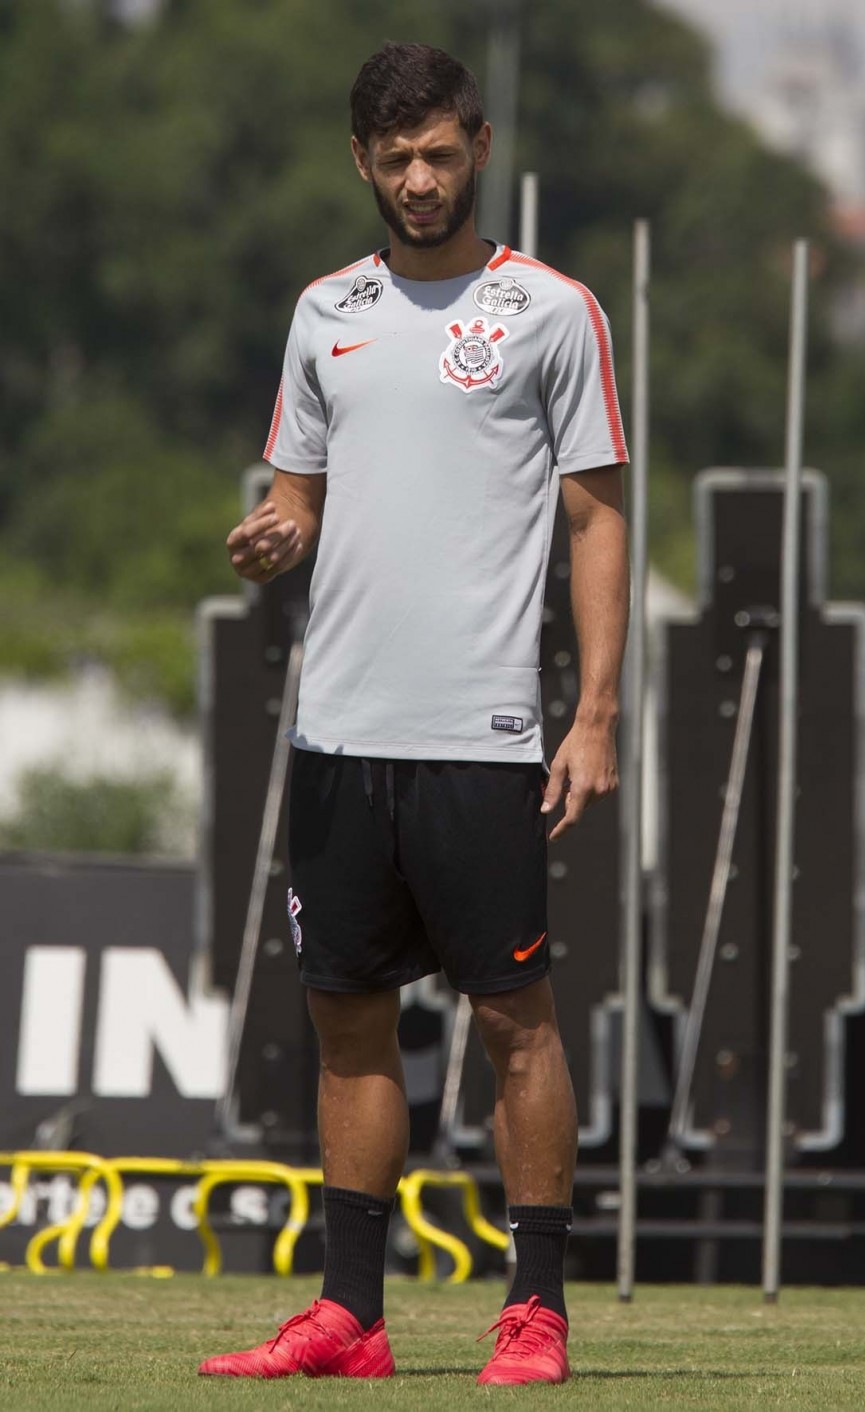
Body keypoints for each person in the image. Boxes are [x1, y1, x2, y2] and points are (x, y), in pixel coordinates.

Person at [199, 40, 629, 1388]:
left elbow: (598, 516)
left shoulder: (553, 311)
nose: (421, 179)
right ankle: (349, 1318)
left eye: (441, 154)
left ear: (479, 146)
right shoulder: (323, 309)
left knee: (515, 1025)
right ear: (361, 163)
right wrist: (274, 536)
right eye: (396, 160)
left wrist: (596, 713)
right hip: (338, 735)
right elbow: (300, 497)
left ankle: (535, 1308)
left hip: (484, 734)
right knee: (346, 1018)